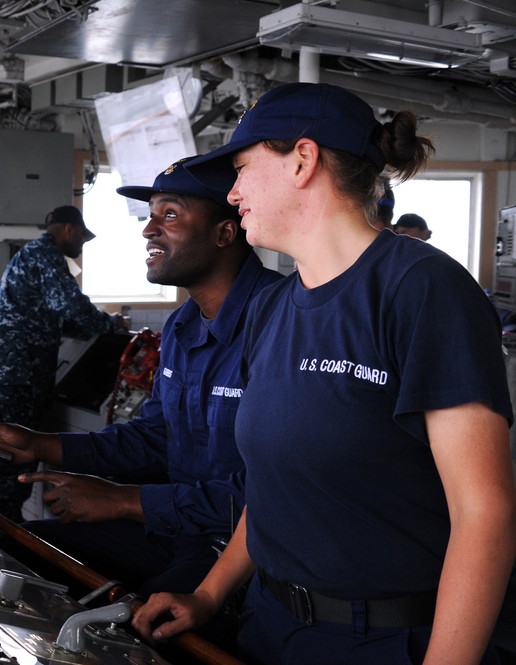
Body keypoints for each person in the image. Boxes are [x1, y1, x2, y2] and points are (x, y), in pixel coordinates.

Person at [132, 82, 516, 664]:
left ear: (303, 161)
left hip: (382, 639)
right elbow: (272, 488)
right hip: (269, 623)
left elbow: (484, 512)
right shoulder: (272, 306)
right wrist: (210, 594)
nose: (232, 193)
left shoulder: (422, 290)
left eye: (240, 168)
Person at [0, 160, 283, 595]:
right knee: (15, 556)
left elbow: (277, 492)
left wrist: (123, 501)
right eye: (151, 216)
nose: (148, 230)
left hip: (242, 550)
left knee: (146, 623)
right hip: (177, 529)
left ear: (225, 233)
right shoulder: (184, 326)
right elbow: (154, 437)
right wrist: (38, 445)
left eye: (169, 214)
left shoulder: (283, 326)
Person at [0, 205, 121, 522]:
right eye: (81, 236)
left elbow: (53, 320)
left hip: (13, 370)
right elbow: (71, 305)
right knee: (7, 453)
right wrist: (111, 325)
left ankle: (5, 523)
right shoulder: (46, 254)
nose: (81, 245)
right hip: (14, 371)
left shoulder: (34, 255)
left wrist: (92, 328)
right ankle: (2, 530)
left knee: (9, 453)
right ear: (68, 229)